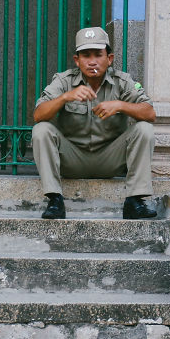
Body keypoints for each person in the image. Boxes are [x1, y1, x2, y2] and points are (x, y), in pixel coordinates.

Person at [32, 26, 157, 220]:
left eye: (98, 55)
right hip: (71, 159)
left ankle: (135, 201)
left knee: (144, 129)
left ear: (110, 58)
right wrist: (65, 97)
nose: (92, 62)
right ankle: (55, 200)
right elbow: (38, 115)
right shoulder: (64, 81)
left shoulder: (122, 82)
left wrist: (120, 105)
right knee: (41, 130)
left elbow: (150, 113)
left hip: (111, 160)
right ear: (77, 60)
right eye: (85, 55)